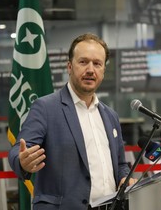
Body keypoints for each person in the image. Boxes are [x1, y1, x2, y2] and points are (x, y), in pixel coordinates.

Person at [8, 33, 137, 210]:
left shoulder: (110, 115)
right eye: (83, 62)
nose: (91, 69)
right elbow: (18, 150)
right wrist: (22, 162)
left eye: (97, 63)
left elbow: (121, 164)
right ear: (69, 66)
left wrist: (124, 178)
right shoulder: (45, 108)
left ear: (103, 71)